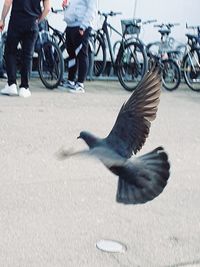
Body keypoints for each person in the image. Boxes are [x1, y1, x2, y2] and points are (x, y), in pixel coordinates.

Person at [0, 0, 51, 97]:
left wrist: (2, 19)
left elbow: (7, 3)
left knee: (10, 52)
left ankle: (11, 84)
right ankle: (24, 87)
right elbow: (47, 8)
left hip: (16, 22)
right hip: (32, 24)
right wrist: (38, 20)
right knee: (27, 55)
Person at [60, 0, 97, 93]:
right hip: (70, 26)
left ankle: (80, 84)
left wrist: (83, 26)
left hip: (80, 26)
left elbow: (91, 9)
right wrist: (66, 6)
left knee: (81, 55)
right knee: (71, 55)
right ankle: (71, 80)